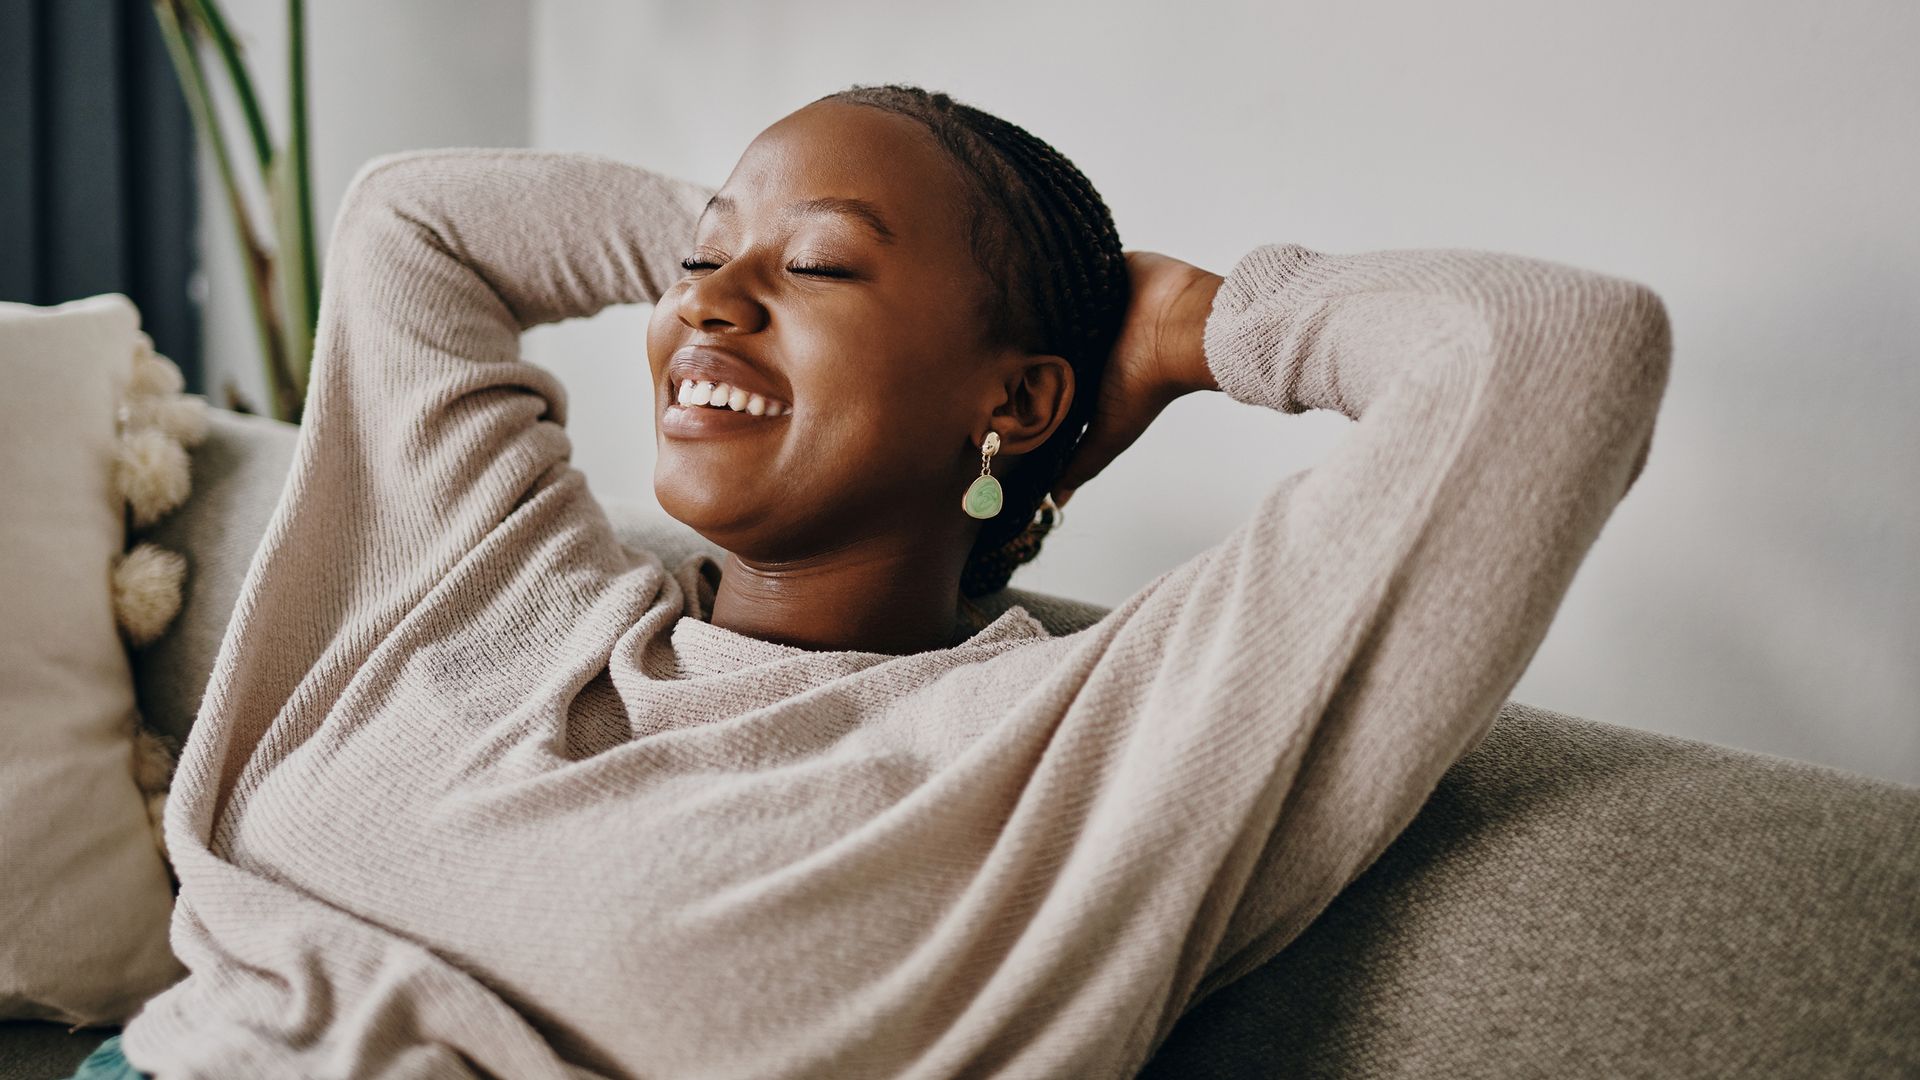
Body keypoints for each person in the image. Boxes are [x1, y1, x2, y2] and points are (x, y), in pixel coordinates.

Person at [108, 83, 1671, 1077]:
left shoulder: (1079, 759)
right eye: (695, 269)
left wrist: (1188, 328)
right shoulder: (500, 586)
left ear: (1023, 399)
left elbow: (1552, 355)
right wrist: (747, 253)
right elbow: (417, 222)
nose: (705, 306)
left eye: (827, 268)